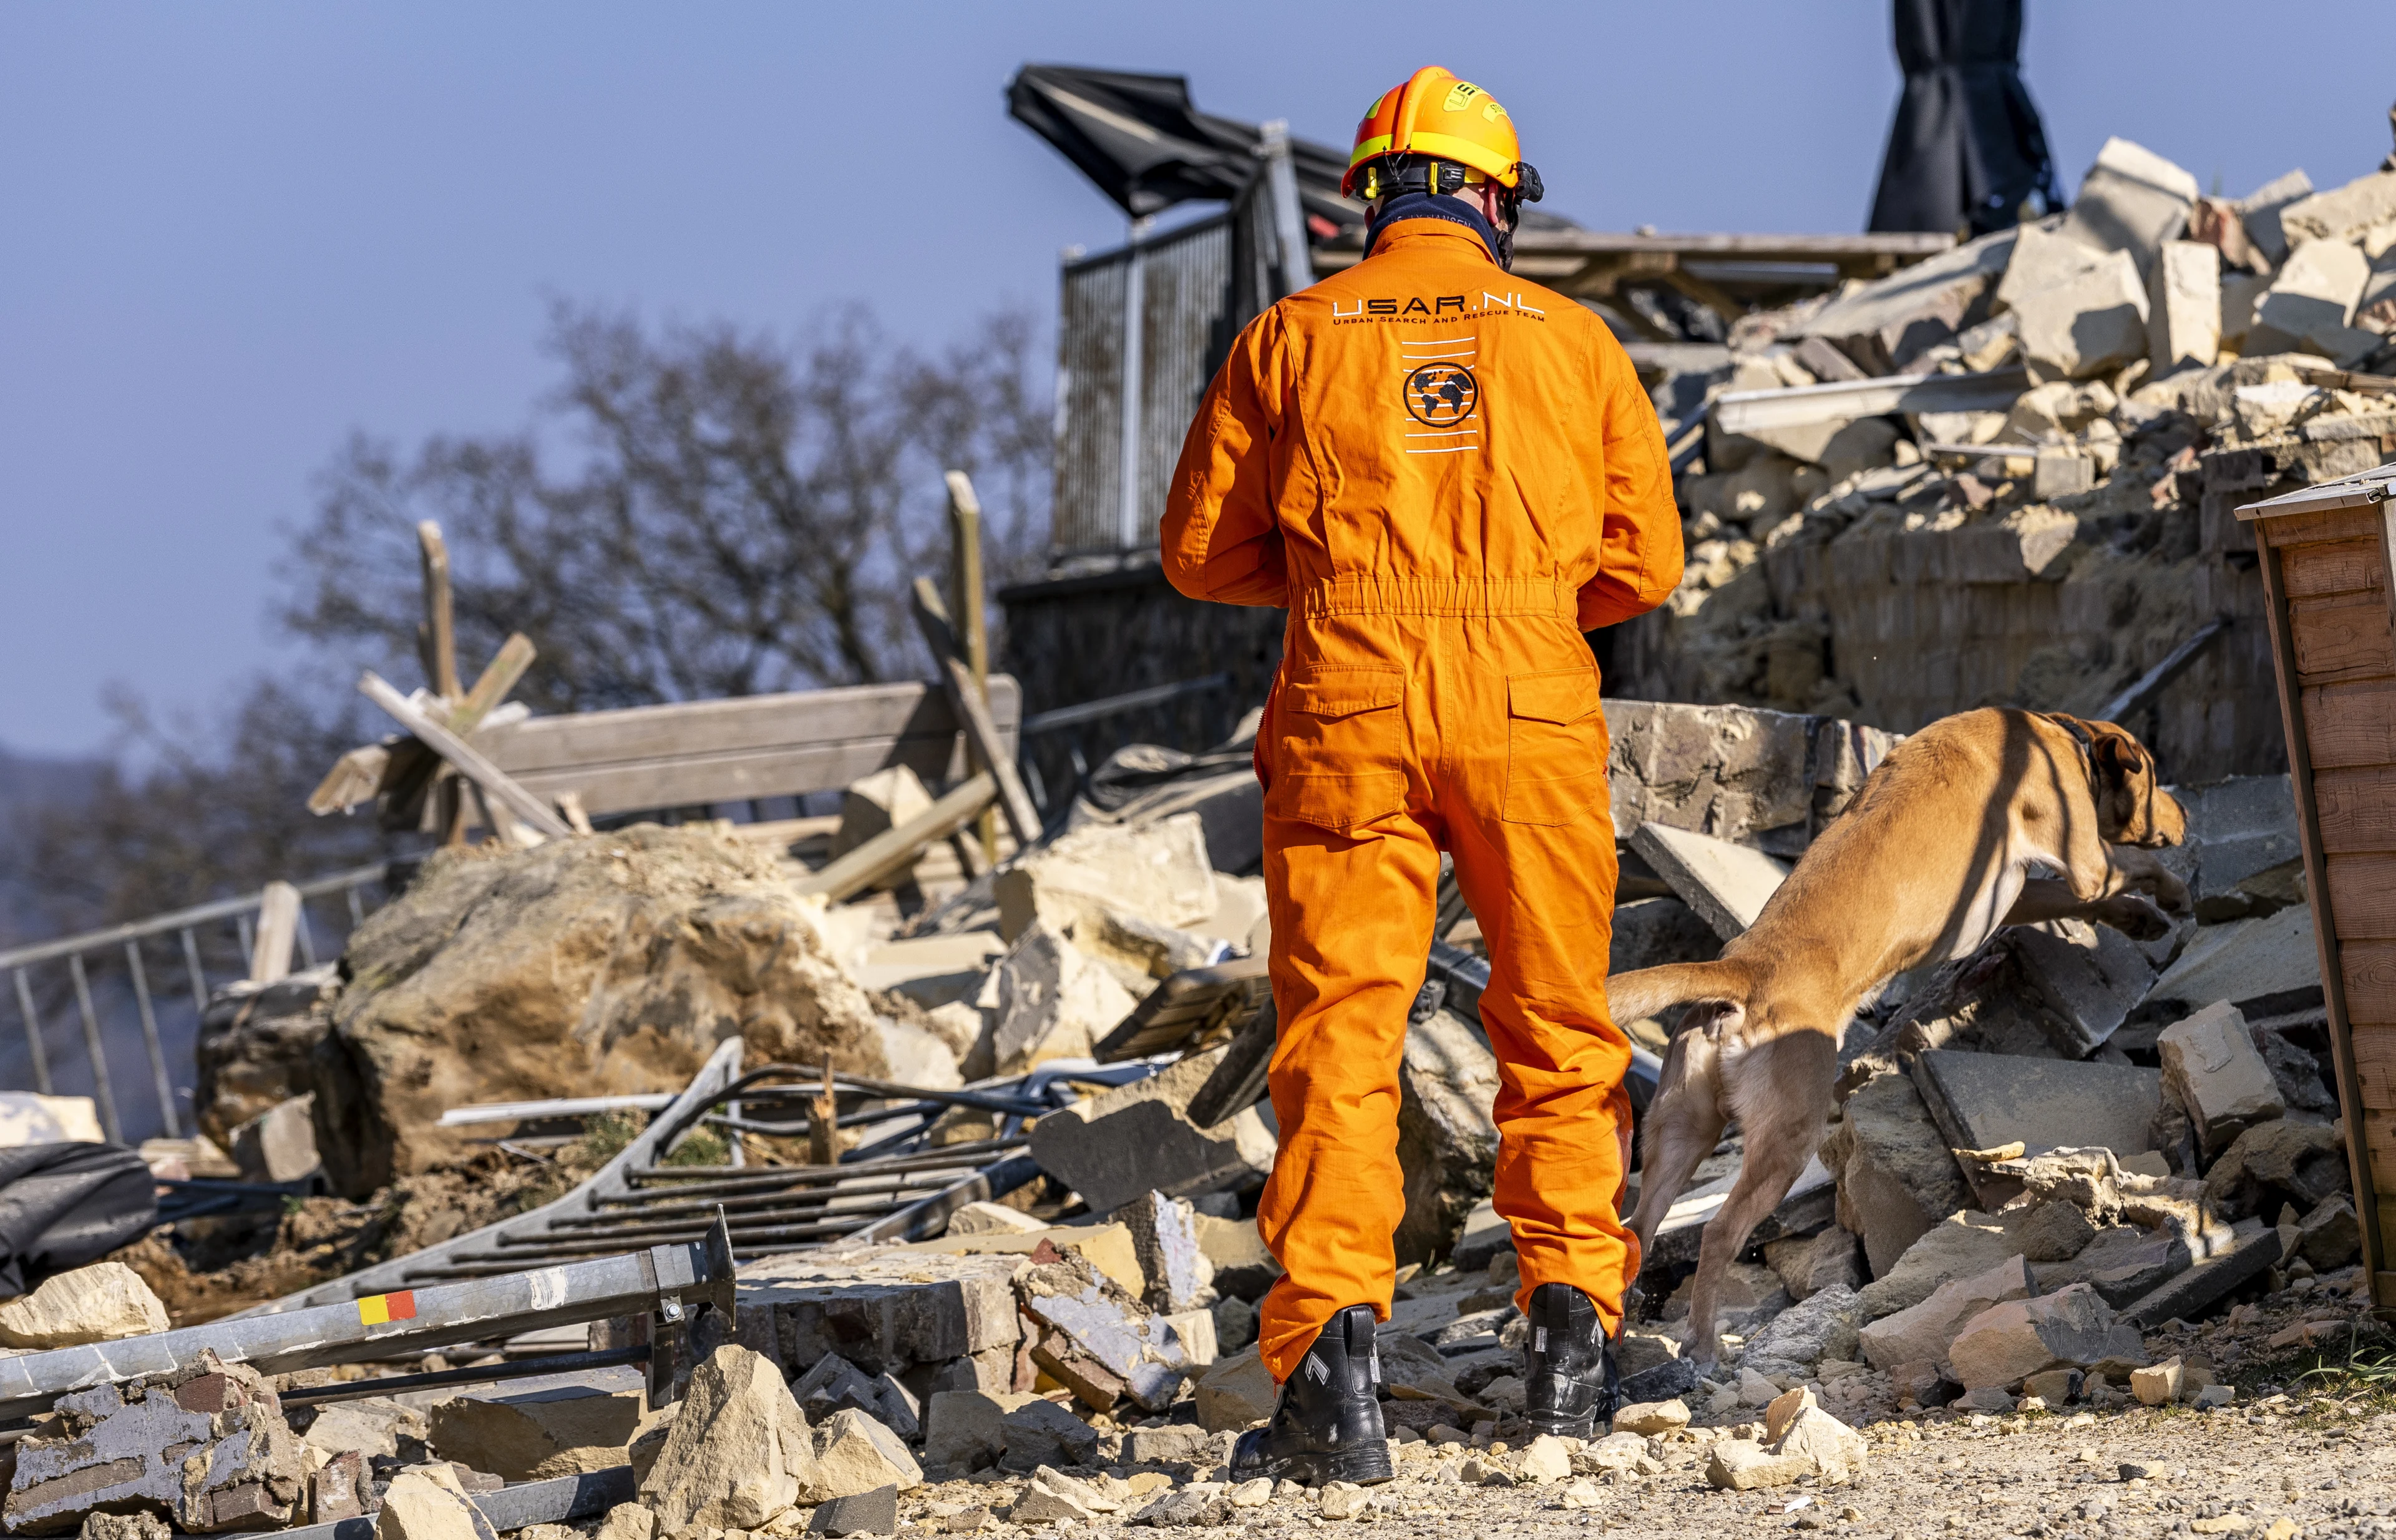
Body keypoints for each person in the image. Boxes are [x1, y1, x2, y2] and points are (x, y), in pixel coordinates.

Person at [1159, 66, 1683, 1484]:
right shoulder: (1573, 340)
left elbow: (1200, 553)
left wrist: (1341, 580)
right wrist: (1514, 590)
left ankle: (1333, 1376)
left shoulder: (1292, 335)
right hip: (1528, 693)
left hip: (1349, 691)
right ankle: (1573, 1336)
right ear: (1499, 202)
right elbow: (1647, 563)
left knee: (1339, 1032)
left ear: (1367, 199)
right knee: (1559, 1019)